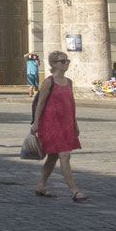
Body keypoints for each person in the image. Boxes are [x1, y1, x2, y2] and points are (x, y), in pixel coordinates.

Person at [30, 51, 87, 201]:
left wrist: (75, 123)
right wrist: (36, 123)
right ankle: (74, 190)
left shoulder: (69, 82)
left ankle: (41, 185)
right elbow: (40, 103)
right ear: (53, 64)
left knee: (53, 156)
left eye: (67, 61)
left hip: (66, 124)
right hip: (50, 124)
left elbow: (71, 104)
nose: (66, 63)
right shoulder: (49, 81)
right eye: (62, 61)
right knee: (64, 155)